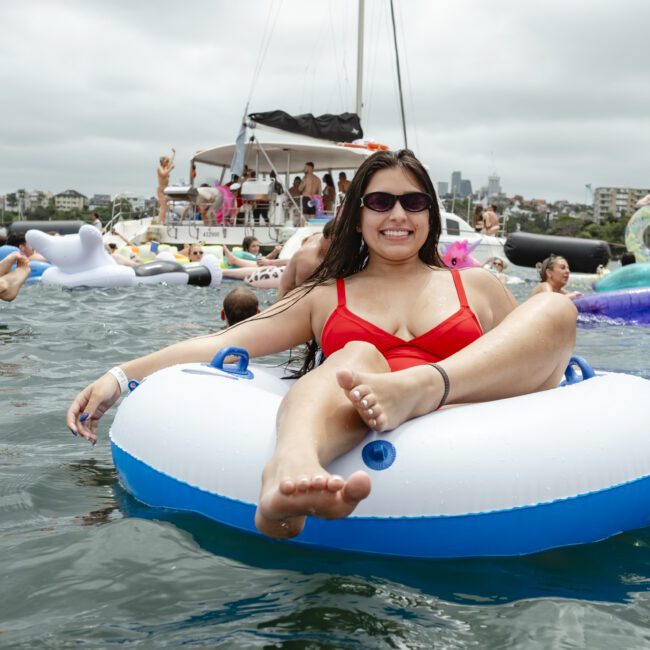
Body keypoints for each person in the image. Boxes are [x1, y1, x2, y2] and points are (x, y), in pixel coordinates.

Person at [67, 149, 576, 541]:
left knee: (556, 308)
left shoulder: (477, 285)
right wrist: (119, 376)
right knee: (356, 357)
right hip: (356, 408)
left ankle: (423, 386)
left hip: (456, 403)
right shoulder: (323, 296)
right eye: (380, 202)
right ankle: (289, 471)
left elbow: (528, 355)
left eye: (413, 201)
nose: (397, 214)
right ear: (358, 216)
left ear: (429, 215)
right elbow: (224, 341)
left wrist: (428, 383)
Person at [276, 219, 335, 300]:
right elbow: (303, 298)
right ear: (329, 238)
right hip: (288, 302)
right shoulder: (310, 261)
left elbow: (304, 241)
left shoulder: (318, 236)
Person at [156, 148, 176, 225]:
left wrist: (174, 153)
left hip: (166, 190)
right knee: (163, 207)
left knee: (165, 207)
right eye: (166, 161)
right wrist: (171, 169)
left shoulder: (166, 167)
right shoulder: (160, 168)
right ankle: (159, 223)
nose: (168, 162)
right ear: (163, 162)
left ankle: (162, 222)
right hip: (161, 190)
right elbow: (164, 174)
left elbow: (171, 160)